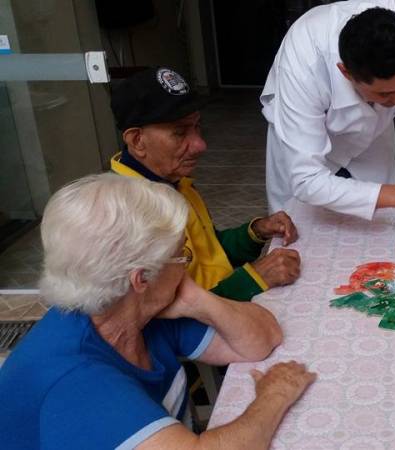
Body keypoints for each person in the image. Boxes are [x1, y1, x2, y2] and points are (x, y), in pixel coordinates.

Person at [0, 174, 316, 449]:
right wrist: (274, 395)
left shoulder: (134, 310)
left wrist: (197, 299)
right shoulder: (76, 379)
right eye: (182, 256)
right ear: (141, 278)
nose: (187, 265)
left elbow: (262, 338)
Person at [261, 0, 395, 265]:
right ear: (345, 72)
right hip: (301, 135)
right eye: (387, 93)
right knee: (296, 238)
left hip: (374, 131)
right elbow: (307, 180)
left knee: (385, 232)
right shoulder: (305, 55)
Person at [111, 67, 300, 302]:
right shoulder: (126, 215)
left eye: (197, 127)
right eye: (180, 133)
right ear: (137, 141)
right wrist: (255, 278)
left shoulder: (171, 182)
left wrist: (256, 231)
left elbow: (209, 255)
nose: (200, 145)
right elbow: (167, 318)